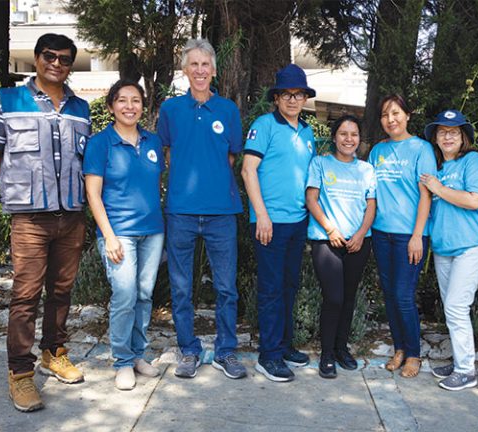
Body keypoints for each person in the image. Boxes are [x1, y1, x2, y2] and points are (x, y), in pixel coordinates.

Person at [0, 33, 89, 412]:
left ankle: (54, 353)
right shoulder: (8, 101)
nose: (56, 63)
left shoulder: (81, 108)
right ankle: (20, 375)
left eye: (64, 59)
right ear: (38, 58)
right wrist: (22, 187)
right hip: (30, 219)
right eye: (49, 56)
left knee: (62, 292)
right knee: (25, 295)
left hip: (71, 217)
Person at [156, 39, 247, 380]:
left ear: (214, 70)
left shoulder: (227, 110)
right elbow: (167, 152)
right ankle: (189, 350)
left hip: (221, 212)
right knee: (181, 288)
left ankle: (226, 351)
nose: (199, 71)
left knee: (226, 287)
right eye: (193, 65)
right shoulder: (170, 110)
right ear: (184, 70)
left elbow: (231, 157)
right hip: (180, 211)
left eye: (205, 65)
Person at [83, 80, 164, 390]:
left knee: (144, 295)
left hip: (153, 232)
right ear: (111, 106)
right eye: (122, 100)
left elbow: (153, 187)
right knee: (125, 294)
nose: (130, 106)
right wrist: (109, 236)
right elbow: (93, 194)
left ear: (143, 106)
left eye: (136, 100)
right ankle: (122, 362)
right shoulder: (100, 143)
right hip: (118, 233)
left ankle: (138, 354)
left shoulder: (153, 142)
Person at [241, 64, 317, 382]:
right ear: (276, 98)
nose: (292, 100)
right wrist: (262, 215)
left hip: (297, 222)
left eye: (298, 95)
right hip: (269, 222)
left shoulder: (308, 132)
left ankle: (284, 346)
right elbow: (248, 170)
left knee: (289, 286)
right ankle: (268, 356)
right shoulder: (264, 125)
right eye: (286, 94)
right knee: (271, 290)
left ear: (304, 98)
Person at [419, 110, 478, 391]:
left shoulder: (472, 161)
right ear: (435, 138)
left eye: (454, 132)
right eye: (442, 132)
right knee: (452, 309)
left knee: (456, 306)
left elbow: (475, 200)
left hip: (471, 246)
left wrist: (438, 188)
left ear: (464, 137)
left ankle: (466, 370)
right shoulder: (437, 169)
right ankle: (461, 360)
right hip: (444, 249)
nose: (447, 136)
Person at [367, 94, 436, 378]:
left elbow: (426, 195)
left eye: (395, 113)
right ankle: (399, 348)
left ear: (407, 115)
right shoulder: (377, 152)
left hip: (410, 234)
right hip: (382, 233)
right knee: (390, 295)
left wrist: (418, 234)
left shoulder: (422, 149)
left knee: (404, 295)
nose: (390, 119)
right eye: (385, 115)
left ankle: (414, 354)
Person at [306, 115, 376, 379]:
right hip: (327, 240)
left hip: (359, 241)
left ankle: (340, 349)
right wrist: (330, 229)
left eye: (354, 134)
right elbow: (311, 199)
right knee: (333, 297)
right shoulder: (320, 163)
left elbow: (371, 205)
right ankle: (326, 354)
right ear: (334, 137)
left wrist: (360, 234)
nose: (349, 139)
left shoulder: (367, 170)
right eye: (344, 134)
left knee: (348, 298)